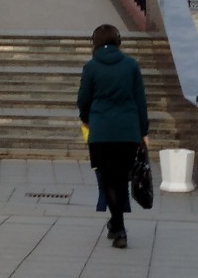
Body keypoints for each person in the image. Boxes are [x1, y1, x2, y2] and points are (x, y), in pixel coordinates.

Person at [77, 23, 148, 249]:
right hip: (128, 133)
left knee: (108, 180)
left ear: (95, 43)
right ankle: (116, 225)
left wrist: (87, 118)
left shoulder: (91, 68)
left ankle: (119, 228)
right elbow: (140, 102)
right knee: (120, 179)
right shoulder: (131, 66)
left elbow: (83, 100)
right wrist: (143, 131)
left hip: (101, 133)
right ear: (118, 42)